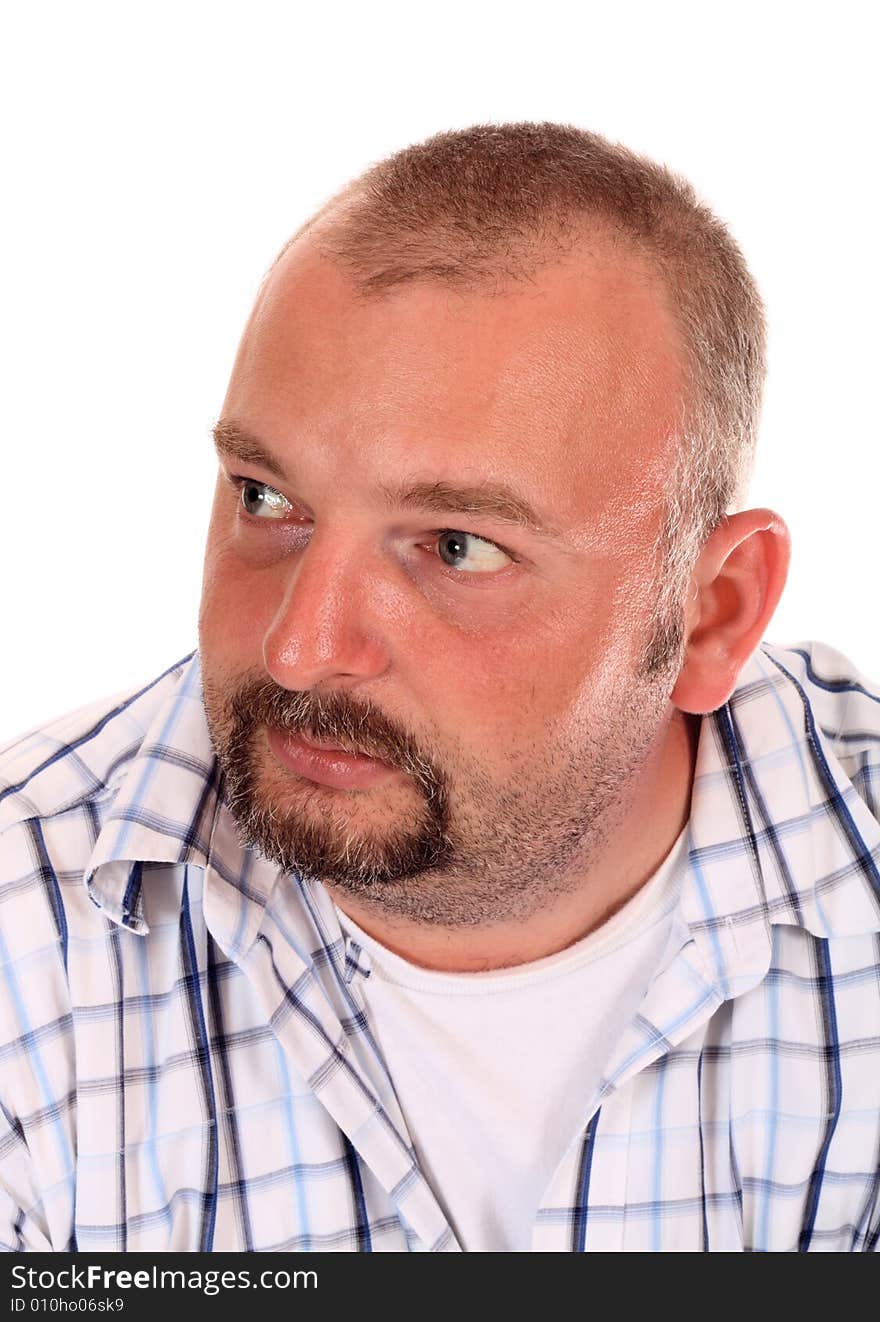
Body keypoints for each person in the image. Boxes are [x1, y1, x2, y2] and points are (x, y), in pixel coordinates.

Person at [1, 122, 878, 1256]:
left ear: (710, 612)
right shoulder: (27, 931)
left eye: (455, 546)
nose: (300, 648)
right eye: (267, 498)